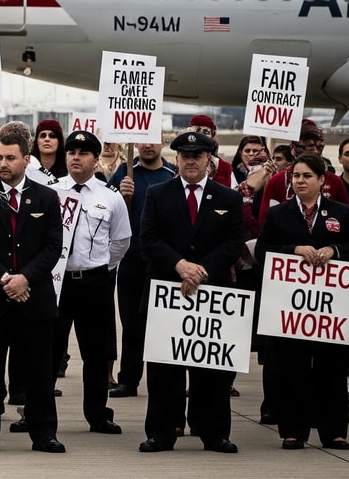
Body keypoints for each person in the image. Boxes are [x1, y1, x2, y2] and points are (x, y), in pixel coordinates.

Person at [137, 129, 245, 454]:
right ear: (177, 159)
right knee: (163, 370)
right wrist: (181, 265)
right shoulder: (158, 194)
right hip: (168, 292)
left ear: (209, 160)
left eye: (197, 156)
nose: (191, 161)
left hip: (212, 294)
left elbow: (234, 242)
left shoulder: (229, 198)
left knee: (212, 370)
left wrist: (201, 270)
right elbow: (149, 238)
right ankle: (162, 431)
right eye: (185, 156)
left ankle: (214, 433)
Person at [0, 127, 64, 454]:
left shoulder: (47, 197)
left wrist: (25, 279)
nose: (2, 164)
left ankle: (44, 432)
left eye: (10, 158)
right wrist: (6, 279)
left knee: (39, 372)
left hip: (34, 299)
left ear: (26, 159)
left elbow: (53, 247)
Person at [256, 153, 349, 449]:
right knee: (293, 368)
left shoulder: (340, 212)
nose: (300, 181)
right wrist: (293, 249)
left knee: (332, 368)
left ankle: (334, 431)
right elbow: (262, 250)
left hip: (330, 310)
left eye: (306, 176)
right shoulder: (280, 214)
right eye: (295, 176)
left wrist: (333, 250)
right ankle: (293, 431)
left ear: (322, 180)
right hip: (292, 308)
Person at [53, 130, 129, 434]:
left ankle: (97, 415)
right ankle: (36, 411)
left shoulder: (109, 197)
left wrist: (99, 266)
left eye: (83, 153)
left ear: (95, 159)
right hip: (57, 281)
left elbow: (121, 241)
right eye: (71, 152)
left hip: (95, 282)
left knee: (96, 353)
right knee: (47, 351)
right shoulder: (51, 191)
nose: (75, 157)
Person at [109, 141, 175, 398]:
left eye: (153, 139)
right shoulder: (125, 173)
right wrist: (119, 191)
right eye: (143, 140)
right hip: (131, 260)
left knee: (163, 326)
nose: (148, 146)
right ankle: (129, 379)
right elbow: (107, 207)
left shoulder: (171, 174)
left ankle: (165, 384)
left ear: (162, 141)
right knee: (132, 325)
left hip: (162, 262)